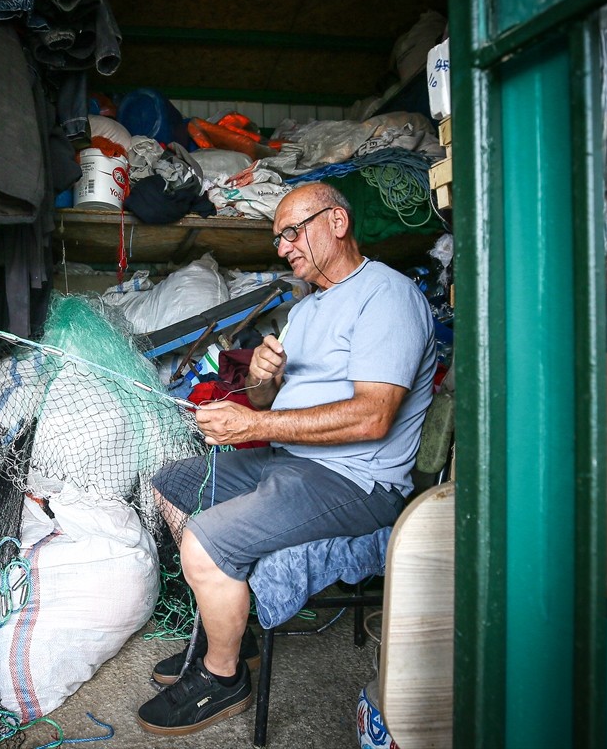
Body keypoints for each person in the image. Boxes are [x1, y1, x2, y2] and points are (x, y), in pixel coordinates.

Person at [136, 182, 437, 737]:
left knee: (208, 537)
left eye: (293, 232)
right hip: (290, 458)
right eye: (279, 238)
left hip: (356, 480)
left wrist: (256, 423)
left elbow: (373, 417)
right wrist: (259, 382)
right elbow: (266, 405)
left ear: (338, 223)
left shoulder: (386, 296)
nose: (283, 248)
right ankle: (234, 630)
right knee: (172, 484)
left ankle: (221, 679)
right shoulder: (306, 308)